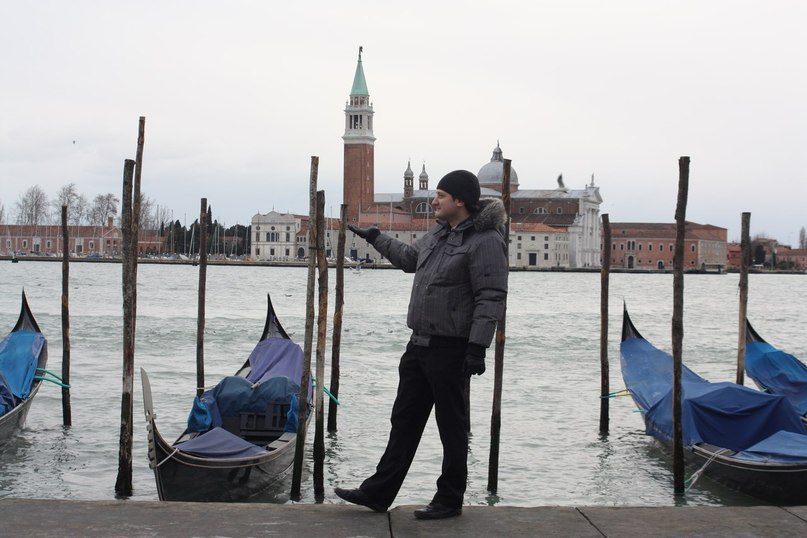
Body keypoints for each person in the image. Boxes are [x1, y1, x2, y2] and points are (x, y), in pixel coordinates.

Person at [335, 169, 508, 520]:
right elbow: (410, 261)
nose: (434, 200)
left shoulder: (486, 240)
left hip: (452, 348)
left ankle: (449, 499)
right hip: (419, 345)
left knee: (451, 426)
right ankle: (378, 492)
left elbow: (491, 296)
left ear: (460, 201)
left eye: (441, 195)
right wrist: (376, 237)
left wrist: (477, 348)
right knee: (404, 421)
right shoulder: (440, 232)